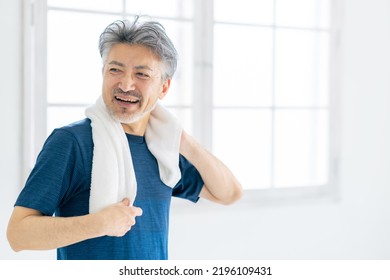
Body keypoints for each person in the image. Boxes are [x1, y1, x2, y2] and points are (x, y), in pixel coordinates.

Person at [7, 15, 242, 260]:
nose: (126, 84)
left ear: (164, 87)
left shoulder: (163, 147)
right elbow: (18, 234)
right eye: (115, 70)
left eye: (142, 74)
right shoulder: (71, 143)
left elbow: (228, 194)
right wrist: (98, 224)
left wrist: (185, 142)